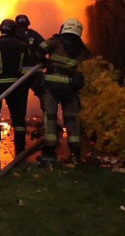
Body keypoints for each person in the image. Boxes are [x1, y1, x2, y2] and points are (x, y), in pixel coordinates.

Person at [38, 18, 91, 163]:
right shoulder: (82, 49)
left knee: (51, 117)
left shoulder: (56, 41)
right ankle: (75, 151)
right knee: (71, 119)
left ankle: (49, 150)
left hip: (52, 87)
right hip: (70, 89)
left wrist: (45, 58)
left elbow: (41, 47)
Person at [0, 19, 30, 156]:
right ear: (14, 31)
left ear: (1, 30)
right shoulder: (23, 46)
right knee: (19, 116)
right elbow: (27, 69)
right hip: (17, 86)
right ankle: (20, 144)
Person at [14, 14, 46, 96]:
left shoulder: (13, 35)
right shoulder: (34, 34)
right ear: (28, 23)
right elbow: (45, 46)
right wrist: (40, 57)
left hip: (18, 72)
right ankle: (46, 108)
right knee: (44, 94)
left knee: (20, 99)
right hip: (35, 70)